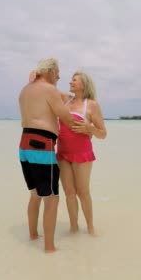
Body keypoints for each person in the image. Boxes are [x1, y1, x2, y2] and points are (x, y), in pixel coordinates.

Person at [18, 58, 75, 253]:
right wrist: (86, 127)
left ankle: (33, 235)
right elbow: (65, 116)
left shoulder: (26, 90)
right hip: (42, 146)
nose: (59, 76)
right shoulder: (49, 90)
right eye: (57, 72)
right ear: (50, 71)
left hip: (24, 144)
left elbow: (61, 97)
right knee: (52, 199)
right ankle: (49, 248)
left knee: (35, 194)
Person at [56, 71, 107, 235]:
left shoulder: (91, 105)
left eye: (74, 80)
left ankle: (91, 228)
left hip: (82, 154)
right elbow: (47, 88)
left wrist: (90, 128)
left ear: (83, 84)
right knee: (69, 192)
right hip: (63, 153)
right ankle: (74, 228)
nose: (70, 82)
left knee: (82, 192)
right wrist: (36, 75)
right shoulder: (65, 99)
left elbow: (103, 134)